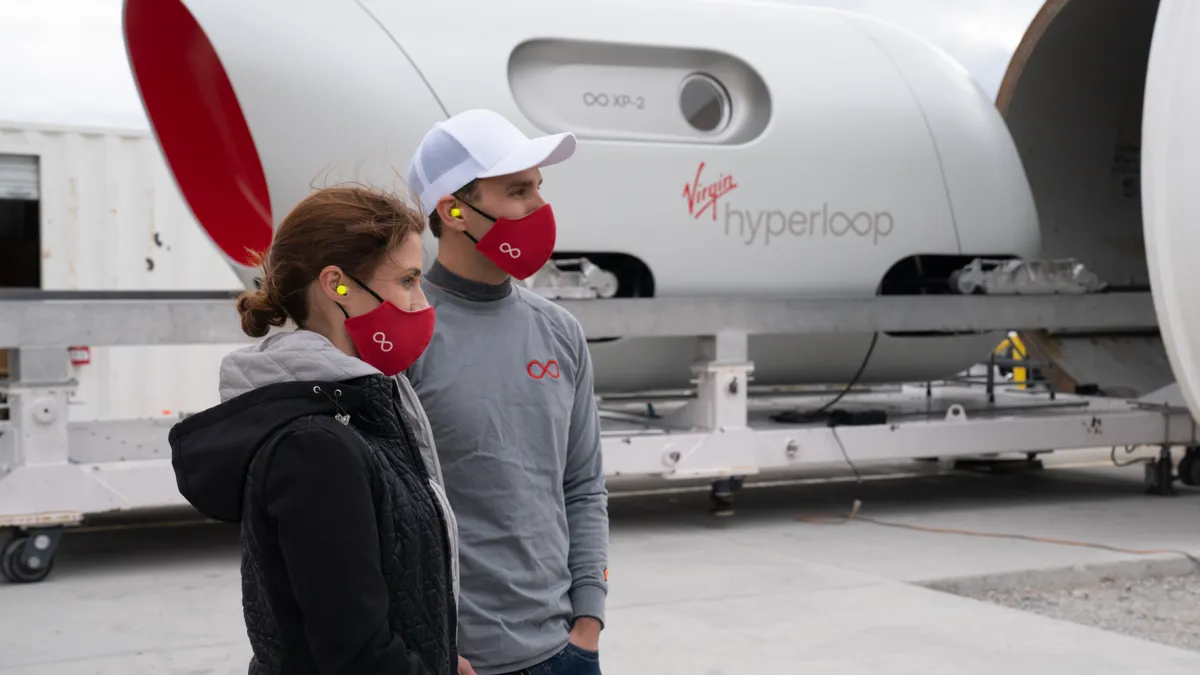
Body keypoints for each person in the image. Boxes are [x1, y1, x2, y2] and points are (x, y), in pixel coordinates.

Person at [168, 185, 460, 675]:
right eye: (408, 280)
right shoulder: (314, 447)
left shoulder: (364, 409)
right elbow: (355, 655)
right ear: (336, 285)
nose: (421, 301)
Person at [404, 109, 609, 675]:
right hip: (455, 662)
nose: (539, 207)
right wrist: (430, 648)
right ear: (451, 210)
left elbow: (583, 486)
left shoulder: (560, 332)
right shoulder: (404, 338)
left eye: (539, 188)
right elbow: (384, 516)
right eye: (518, 190)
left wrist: (587, 623)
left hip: (566, 653)